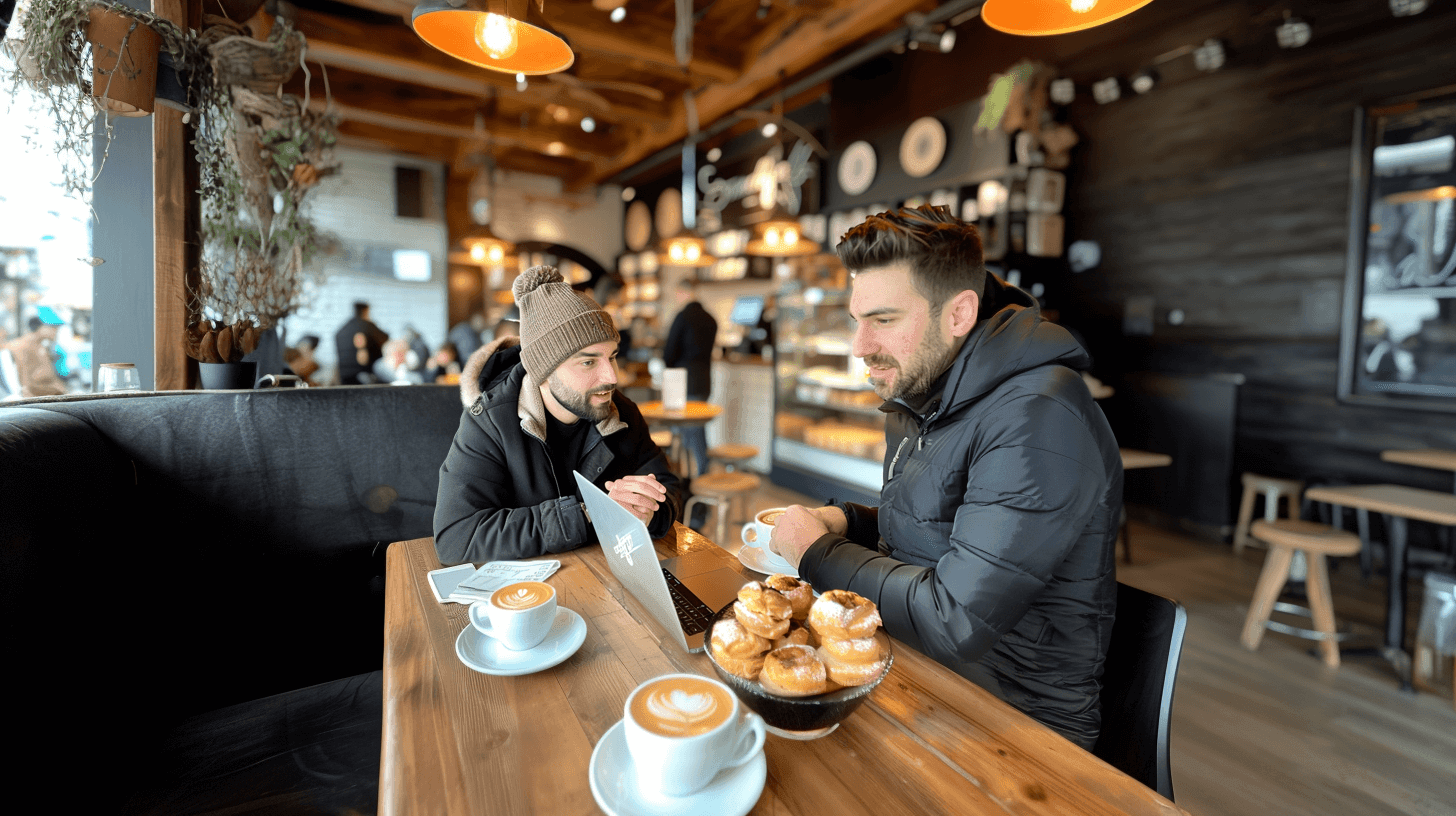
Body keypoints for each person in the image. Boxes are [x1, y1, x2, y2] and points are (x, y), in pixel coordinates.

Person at [766, 205, 1121, 749]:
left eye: (883, 320)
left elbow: (953, 620)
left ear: (958, 315)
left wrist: (816, 553)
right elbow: (942, 528)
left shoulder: (1038, 414)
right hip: (922, 670)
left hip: (1015, 722)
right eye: (856, 320)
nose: (859, 345)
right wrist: (848, 521)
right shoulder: (929, 391)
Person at [433, 266, 684, 565]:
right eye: (589, 362)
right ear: (544, 373)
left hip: (604, 579)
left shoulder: (621, 411)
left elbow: (666, 484)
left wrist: (651, 510)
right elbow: (457, 538)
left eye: (612, 357)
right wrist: (588, 513)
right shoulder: (489, 424)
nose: (612, 377)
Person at [662, 279, 717, 477]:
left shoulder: (682, 317)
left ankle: (694, 479)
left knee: (688, 432)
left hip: (682, 382)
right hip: (704, 381)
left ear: (684, 292)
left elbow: (669, 352)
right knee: (696, 428)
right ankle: (695, 476)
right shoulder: (711, 319)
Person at [6, 310, 67, 398]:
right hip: (35, 401)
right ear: (40, 327)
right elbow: (24, 384)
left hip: (49, 396)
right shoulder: (21, 347)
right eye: (53, 327)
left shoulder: (40, 346)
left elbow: (49, 375)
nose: (56, 331)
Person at [334, 302, 388, 385]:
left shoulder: (342, 330)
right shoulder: (368, 326)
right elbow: (385, 340)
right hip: (365, 377)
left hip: (344, 377)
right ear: (366, 311)